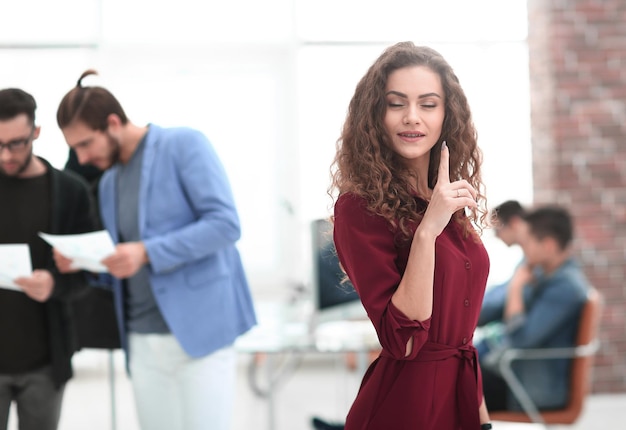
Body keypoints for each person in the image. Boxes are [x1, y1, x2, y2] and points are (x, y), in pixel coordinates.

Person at [53, 70, 257, 430]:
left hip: (200, 333)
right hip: (141, 339)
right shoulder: (109, 182)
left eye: (85, 144)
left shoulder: (184, 144)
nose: (81, 159)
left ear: (113, 123)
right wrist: (86, 263)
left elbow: (225, 224)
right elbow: (124, 262)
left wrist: (145, 251)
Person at [330, 42, 492, 430]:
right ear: (376, 114)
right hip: (404, 409)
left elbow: (461, 340)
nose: (412, 117)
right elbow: (402, 341)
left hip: (462, 403)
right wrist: (427, 232)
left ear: (446, 115)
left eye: (428, 104)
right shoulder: (359, 209)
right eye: (397, 103)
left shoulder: (446, 196)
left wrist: (483, 420)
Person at [0, 88, 96, 430]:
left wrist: (55, 282)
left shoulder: (70, 192)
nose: (6, 155)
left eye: (17, 143)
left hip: (44, 362)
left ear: (36, 132)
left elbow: (89, 273)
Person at [477, 205, 590, 412]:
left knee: (455, 384)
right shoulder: (545, 274)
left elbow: (519, 340)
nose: (523, 248)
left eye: (527, 241)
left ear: (547, 245)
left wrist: (516, 289)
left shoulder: (565, 288)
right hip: (521, 376)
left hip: (531, 390)